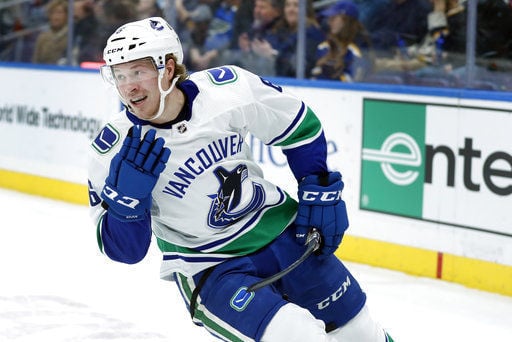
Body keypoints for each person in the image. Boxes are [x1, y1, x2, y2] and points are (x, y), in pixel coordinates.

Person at [88, 16, 393, 341]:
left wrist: (317, 186)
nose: (128, 87)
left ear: (168, 67)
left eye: (138, 72)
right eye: (119, 75)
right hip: (210, 266)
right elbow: (125, 252)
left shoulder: (227, 89)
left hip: (283, 234)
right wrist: (127, 205)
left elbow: (297, 124)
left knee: (360, 334)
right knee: (296, 335)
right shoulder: (114, 148)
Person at [312, 1, 374, 82]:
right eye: (329, 18)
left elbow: (356, 81)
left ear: (346, 21)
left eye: (334, 18)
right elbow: (314, 77)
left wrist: (336, 76)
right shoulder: (324, 47)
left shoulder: (358, 49)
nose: (329, 22)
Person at [31, 0, 68, 64]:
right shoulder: (42, 37)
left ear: (66, 15)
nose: (56, 17)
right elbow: (35, 61)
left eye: (59, 13)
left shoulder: (71, 36)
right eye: (53, 13)